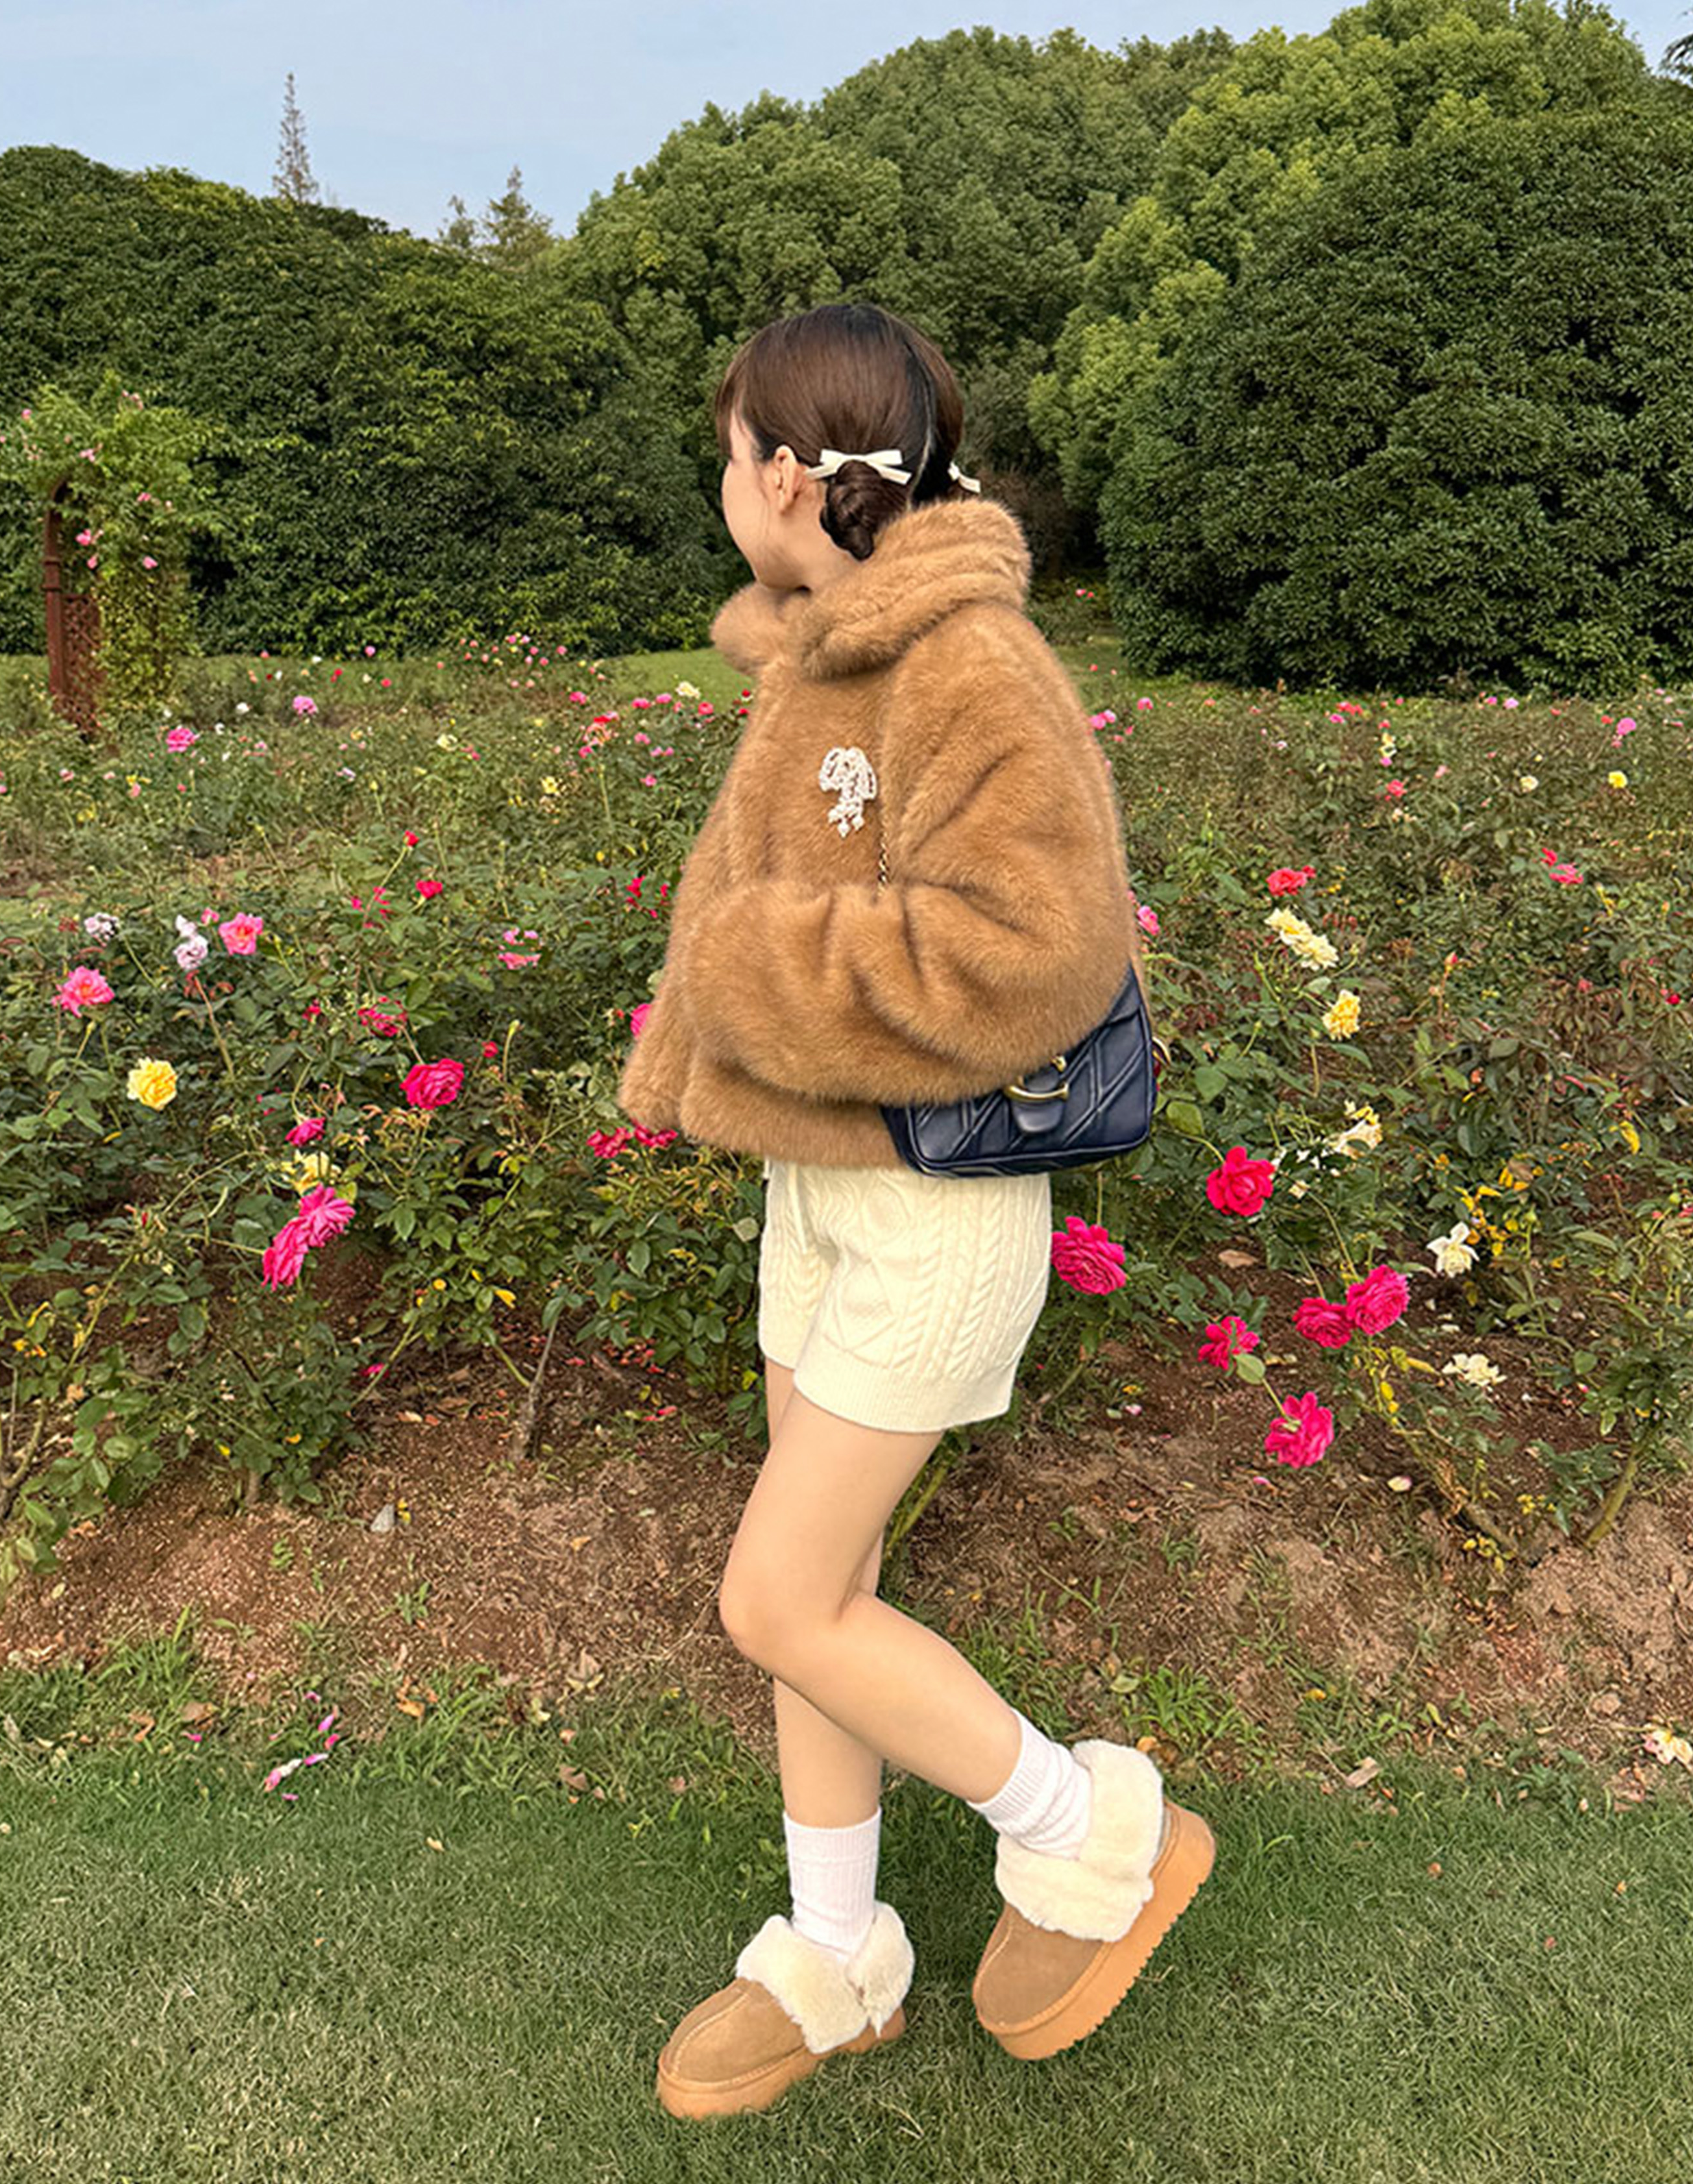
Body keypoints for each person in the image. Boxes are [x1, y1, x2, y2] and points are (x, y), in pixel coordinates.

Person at [616, 302, 1215, 2122]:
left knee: (777, 1600)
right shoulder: (818, 657)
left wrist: (748, 965)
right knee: (835, 1590)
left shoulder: (969, 664)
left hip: (934, 1210)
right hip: (821, 1187)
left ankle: (1086, 1827)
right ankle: (837, 1958)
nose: (723, 484)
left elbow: (1040, 947)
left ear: (795, 478)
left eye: (733, 455)